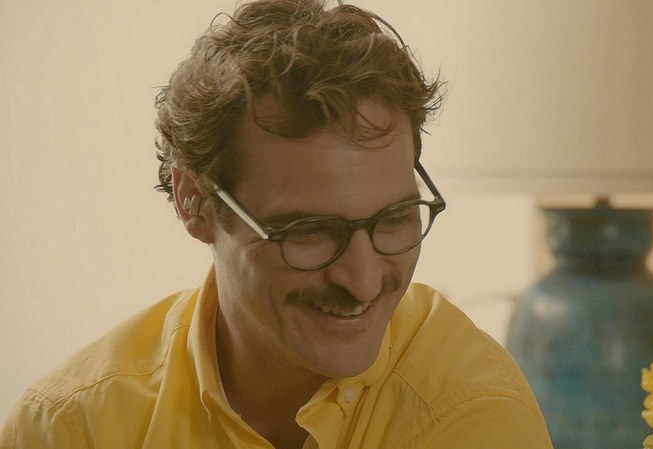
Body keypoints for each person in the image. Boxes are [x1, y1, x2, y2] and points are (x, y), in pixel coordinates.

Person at [1, 1, 552, 448]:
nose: (363, 282)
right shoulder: (69, 427)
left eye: (394, 219)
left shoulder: (469, 412)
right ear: (194, 202)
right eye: (309, 231)